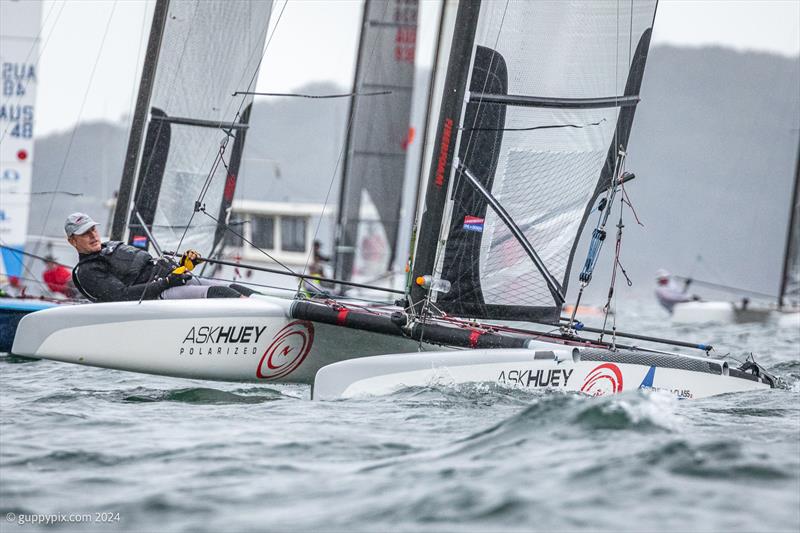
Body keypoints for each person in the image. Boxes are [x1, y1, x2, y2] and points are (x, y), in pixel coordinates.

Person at [65, 213, 254, 302]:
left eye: (93, 229)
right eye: (85, 233)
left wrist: (182, 265)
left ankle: (272, 302)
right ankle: (258, 312)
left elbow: (148, 265)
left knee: (230, 286)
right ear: (73, 241)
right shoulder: (88, 271)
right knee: (217, 292)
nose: (93, 235)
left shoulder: (109, 247)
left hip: (171, 280)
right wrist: (167, 281)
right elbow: (122, 296)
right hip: (158, 296)